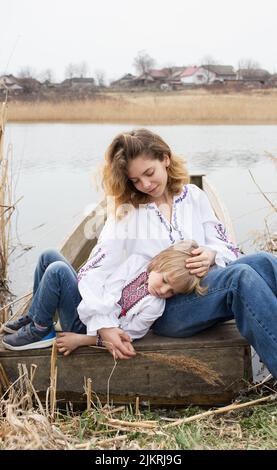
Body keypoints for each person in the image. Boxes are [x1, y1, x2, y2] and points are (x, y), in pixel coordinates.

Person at [3, 128, 277, 378]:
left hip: (199, 288)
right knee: (240, 277)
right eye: (135, 180)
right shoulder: (127, 213)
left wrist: (211, 253)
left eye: (149, 173)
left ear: (165, 159)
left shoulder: (193, 196)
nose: (145, 184)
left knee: (264, 261)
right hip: (163, 309)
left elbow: (226, 245)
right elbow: (96, 270)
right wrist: (104, 325)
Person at [2, 240, 207, 357]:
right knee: (49, 255)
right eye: (165, 280)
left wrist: (80, 340)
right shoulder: (137, 264)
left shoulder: (154, 306)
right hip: (90, 309)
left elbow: (128, 336)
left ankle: (40, 330)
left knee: (57, 271)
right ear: (158, 263)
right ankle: (35, 316)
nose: (164, 290)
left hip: (85, 327)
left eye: (172, 292)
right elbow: (106, 286)